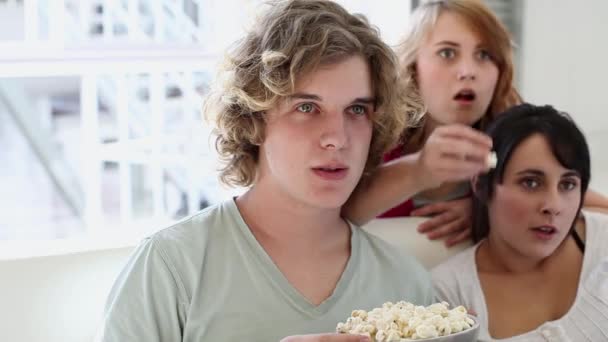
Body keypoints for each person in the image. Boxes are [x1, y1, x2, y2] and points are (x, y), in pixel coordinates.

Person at [97, 1, 432, 341]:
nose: (337, 138)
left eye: (356, 109)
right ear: (254, 119)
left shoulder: (406, 283)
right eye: (307, 107)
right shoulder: (172, 267)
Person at [343, 0, 608, 247]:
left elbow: (601, 209)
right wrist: (417, 171)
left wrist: (489, 211)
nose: (468, 71)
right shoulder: (369, 136)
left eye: (484, 55)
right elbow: (328, 219)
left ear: (500, 72)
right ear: (413, 68)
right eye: (447, 53)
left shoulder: (515, 147)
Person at [432, 103, 608, 341]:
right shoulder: (447, 294)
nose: (553, 206)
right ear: (480, 185)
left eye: (567, 185)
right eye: (531, 183)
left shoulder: (602, 243)